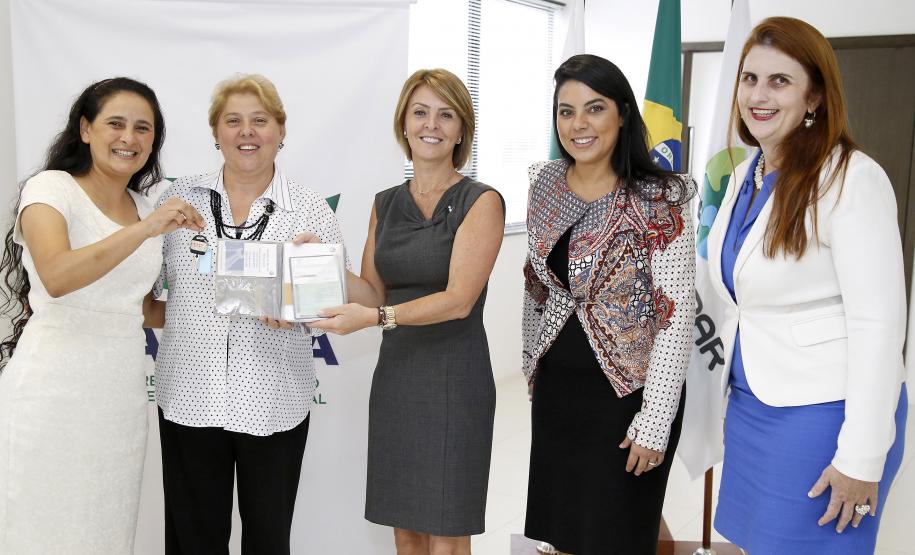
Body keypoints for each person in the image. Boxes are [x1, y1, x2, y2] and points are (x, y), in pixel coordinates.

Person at [704, 17, 908, 554]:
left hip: (822, 416)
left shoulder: (852, 177)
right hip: (752, 405)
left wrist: (862, 455)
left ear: (814, 94)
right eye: (749, 79)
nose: (758, 95)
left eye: (779, 81)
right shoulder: (747, 174)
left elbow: (879, 322)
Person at [0, 77, 203, 553]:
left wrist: (234, 304)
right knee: (37, 525)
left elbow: (142, 308)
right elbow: (58, 276)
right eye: (116, 124)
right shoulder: (50, 189)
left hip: (119, 397)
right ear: (85, 129)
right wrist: (148, 228)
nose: (129, 139)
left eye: (143, 129)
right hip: (50, 392)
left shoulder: (144, 207)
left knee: (104, 528)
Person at [149, 74, 347, 555]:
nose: (247, 132)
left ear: (281, 129)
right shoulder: (176, 204)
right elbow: (147, 297)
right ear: (215, 131)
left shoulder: (310, 209)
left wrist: (303, 313)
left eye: (260, 120)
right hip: (188, 399)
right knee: (192, 541)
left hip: (274, 401)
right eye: (233, 120)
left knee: (268, 539)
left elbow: (330, 305)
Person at [311, 68, 504, 555]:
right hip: (398, 379)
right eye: (420, 112)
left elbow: (458, 300)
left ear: (462, 129)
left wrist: (378, 321)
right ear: (404, 123)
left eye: (446, 115)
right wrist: (324, 264)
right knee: (406, 528)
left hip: (454, 378)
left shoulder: (480, 202)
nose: (431, 125)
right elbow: (373, 292)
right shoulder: (385, 204)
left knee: (446, 530)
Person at [521, 54, 696, 555]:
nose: (578, 124)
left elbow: (677, 308)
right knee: (565, 532)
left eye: (594, 108)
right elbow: (537, 285)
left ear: (622, 113)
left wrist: (656, 418)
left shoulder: (663, 195)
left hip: (629, 398)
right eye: (565, 111)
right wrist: (532, 369)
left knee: (618, 533)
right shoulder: (544, 181)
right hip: (559, 390)